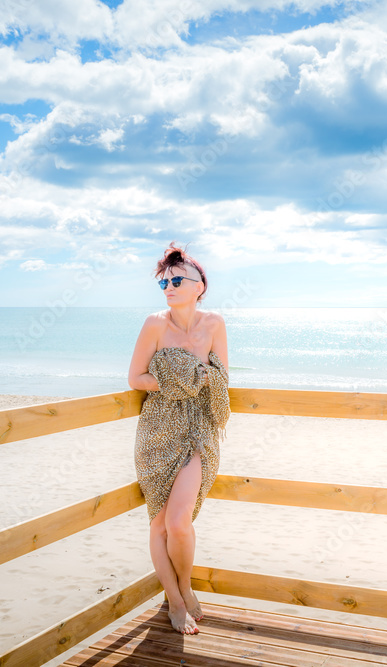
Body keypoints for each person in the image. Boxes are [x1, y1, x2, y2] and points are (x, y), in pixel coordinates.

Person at [128, 241, 230, 635]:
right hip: (157, 429)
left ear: (199, 285)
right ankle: (175, 600)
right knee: (159, 525)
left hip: (201, 427)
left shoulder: (215, 323)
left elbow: (222, 376)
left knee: (179, 522)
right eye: (163, 282)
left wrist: (202, 380)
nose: (168, 286)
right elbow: (135, 378)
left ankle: (183, 589)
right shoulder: (155, 323)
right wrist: (177, 381)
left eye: (176, 279)